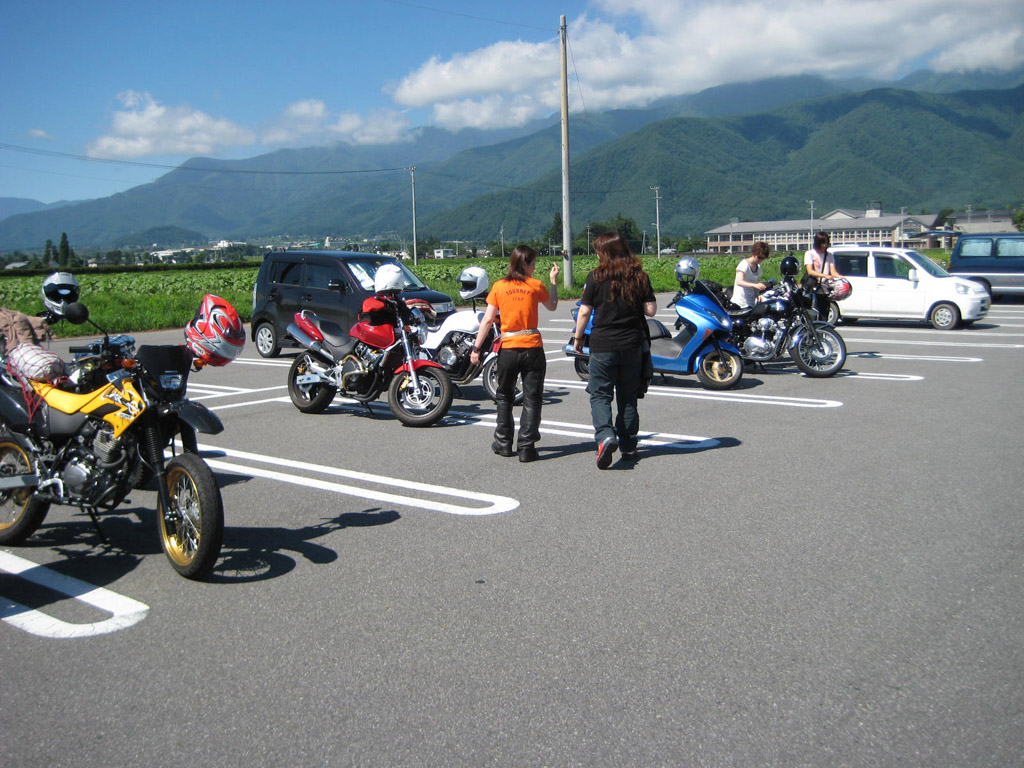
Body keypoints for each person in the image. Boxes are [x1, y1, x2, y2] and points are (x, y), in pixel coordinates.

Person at [573, 231, 657, 469]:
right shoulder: (639, 276)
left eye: (598, 251)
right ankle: (629, 446)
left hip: (603, 345)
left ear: (604, 252)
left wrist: (578, 337)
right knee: (628, 398)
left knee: (600, 395)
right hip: (632, 345)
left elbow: (585, 311)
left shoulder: (596, 276)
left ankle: (605, 437)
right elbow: (651, 310)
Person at [469, 246, 559, 463]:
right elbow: (553, 306)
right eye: (533, 263)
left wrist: (476, 348)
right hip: (532, 346)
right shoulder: (535, 285)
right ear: (524, 264)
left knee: (504, 396)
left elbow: (488, 320)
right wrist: (553, 282)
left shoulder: (499, 287)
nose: (534, 267)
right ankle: (526, 447)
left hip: (508, 347)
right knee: (532, 398)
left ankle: (503, 442)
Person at [803, 231, 843, 319]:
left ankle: (822, 328)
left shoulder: (829, 255)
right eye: (823, 243)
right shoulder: (810, 254)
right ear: (818, 243)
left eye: (826, 243)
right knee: (811, 316)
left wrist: (840, 277)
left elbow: (833, 272)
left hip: (824, 290)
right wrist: (825, 275)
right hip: (812, 289)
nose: (825, 245)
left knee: (824, 316)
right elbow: (810, 271)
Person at [732, 241, 770, 308]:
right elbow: (739, 281)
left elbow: (755, 283)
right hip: (740, 303)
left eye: (763, 258)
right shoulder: (744, 264)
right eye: (759, 257)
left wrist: (757, 295)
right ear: (754, 253)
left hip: (750, 302)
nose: (760, 260)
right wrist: (755, 285)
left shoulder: (758, 267)